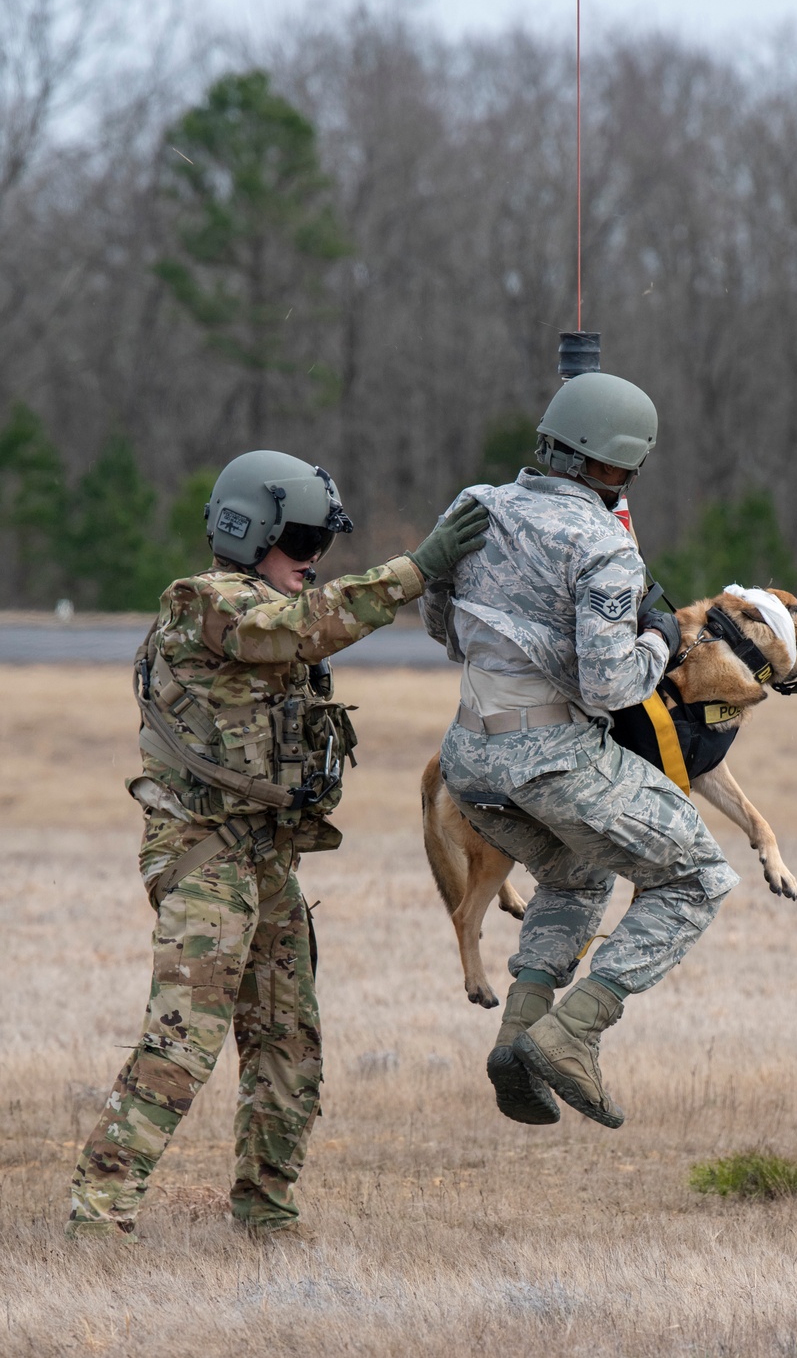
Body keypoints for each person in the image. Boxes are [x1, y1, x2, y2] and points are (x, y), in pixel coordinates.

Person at [67, 450, 488, 1239]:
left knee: (289, 1040)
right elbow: (300, 627)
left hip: (265, 857)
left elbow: (303, 631)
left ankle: (267, 1212)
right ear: (249, 530)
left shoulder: (270, 613)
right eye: (299, 540)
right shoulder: (205, 604)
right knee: (184, 1039)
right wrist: (416, 568)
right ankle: (96, 1213)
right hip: (203, 852)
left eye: (322, 542)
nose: (312, 561)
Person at [421, 373, 739, 1130]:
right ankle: (572, 1034)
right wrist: (662, 636)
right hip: (553, 756)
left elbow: (442, 625)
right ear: (619, 465)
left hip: (469, 759)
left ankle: (517, 1037)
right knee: (697, 877)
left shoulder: (473, 505)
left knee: (575, 871)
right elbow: (610, 686)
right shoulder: (603, 545)